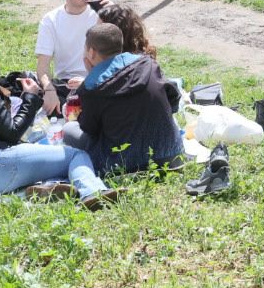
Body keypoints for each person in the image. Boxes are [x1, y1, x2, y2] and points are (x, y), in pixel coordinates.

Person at [0, 39, 118, 207]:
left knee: (54, 160)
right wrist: (30, 97)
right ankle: (93, 193)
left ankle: (49, 187)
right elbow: (13, 132)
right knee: (76, 155)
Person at [67, 22, 184, 175]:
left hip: (123, 164)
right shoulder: (148, 64)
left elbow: (89, 129)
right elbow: (173, 98)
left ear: (91, 52)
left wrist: (91, 74)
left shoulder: (92, 86)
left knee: (68, 129)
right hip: (170, 155)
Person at [36, 0, 102, 116]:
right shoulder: (50, 20)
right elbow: (43, 67)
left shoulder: (100, 15)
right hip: (66, 85)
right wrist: (49, 89)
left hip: (96, 81)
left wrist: (88, 82)